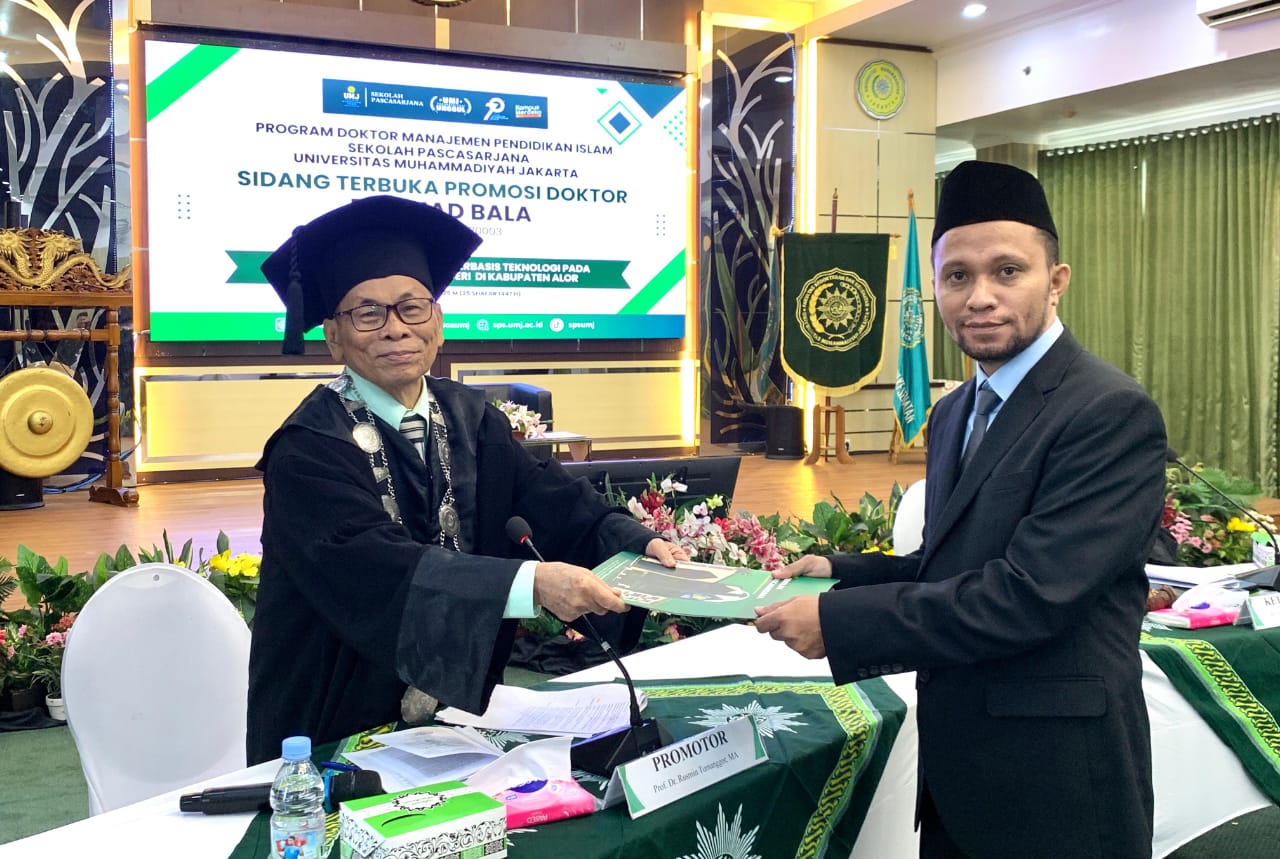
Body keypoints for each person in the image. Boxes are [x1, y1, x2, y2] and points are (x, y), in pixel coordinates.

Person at [755, 161, 1166, 858]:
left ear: (1056, 280)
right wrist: (841, 571)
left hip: (1058, 782)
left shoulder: (1107, 411)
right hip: (957, 773)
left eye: (1007, 271)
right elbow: (953, 562)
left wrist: (840, 623)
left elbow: (1027, 596)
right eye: (956, 276)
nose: (980, 297)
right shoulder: (953, 413)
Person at [247, 195, 685, 765]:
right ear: (333, 337)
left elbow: (552, 502)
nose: (395, 329)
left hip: (456, 717)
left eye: (412, 308)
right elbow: (373, 567)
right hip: (334, 712)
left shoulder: (471, 419)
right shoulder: (309, 448)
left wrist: (634, 543)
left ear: (438, 324)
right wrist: (533, 584)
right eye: (368, 313)